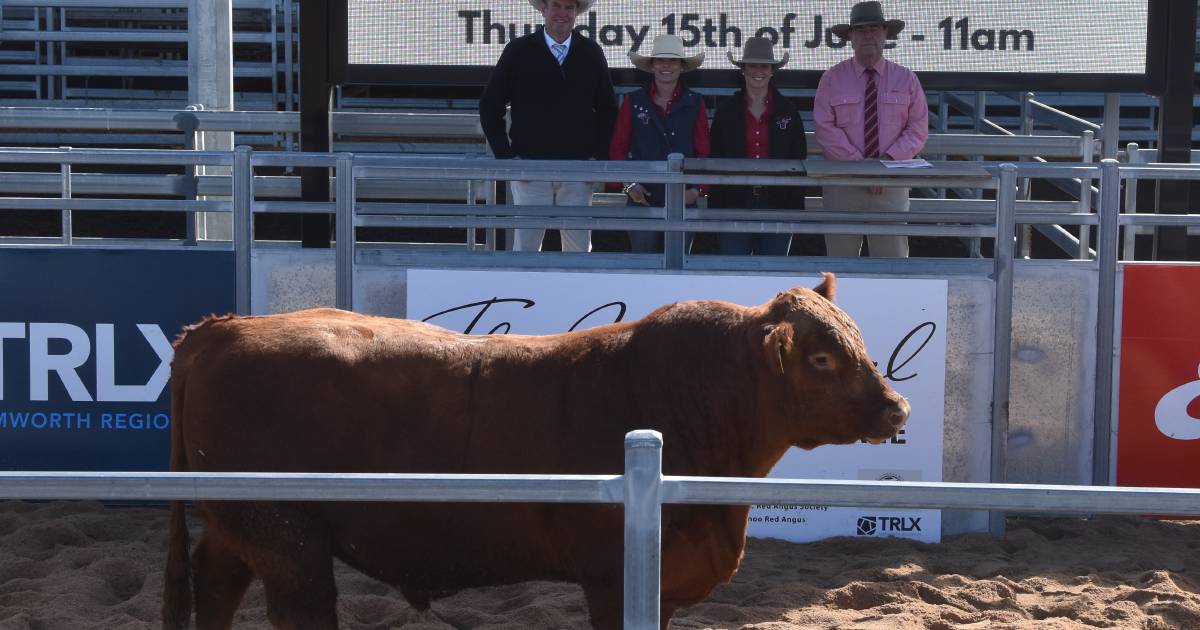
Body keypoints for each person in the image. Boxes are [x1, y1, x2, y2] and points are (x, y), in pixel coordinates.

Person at [479, 0, 617, 252]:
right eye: (556, 6)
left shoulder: (591, 51)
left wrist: (597, 157)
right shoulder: (518, 50)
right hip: (530, 169)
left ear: (577, 13)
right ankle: (521, 292)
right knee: (526, 249)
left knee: (578, 251)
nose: (562, 13)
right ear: (543, 9)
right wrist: (507, 158)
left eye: (569, 7)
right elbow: (490, 106)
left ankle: (577, 293)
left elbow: (608, 108)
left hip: (577, 169)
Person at [813, 1, 928, 257]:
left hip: (890, 185)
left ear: (886, 34)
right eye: (861, 29)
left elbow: (918, 129)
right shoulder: (832, 78)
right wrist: (863, 169)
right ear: (850, 37)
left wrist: (883, 165)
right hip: (843, 185)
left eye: (874, 28)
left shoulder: (906, 79)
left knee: (893, 267)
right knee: (839, 270)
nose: (868, 35)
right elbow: (824, 128)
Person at [609, 34, 708, 253]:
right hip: (642, 197)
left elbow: (704, 152)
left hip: (683, 199)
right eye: (661, 60)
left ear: (681, 66)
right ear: (652, 65)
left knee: (680, 266)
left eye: (673, 60)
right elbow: (618, 149)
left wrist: (697, 190)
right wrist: (629, 185)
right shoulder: (633, 102)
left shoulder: (695, 102)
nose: (666, 66)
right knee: (643, 267)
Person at [709, 37, 807, 256]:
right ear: (742, 70)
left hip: (778, 205)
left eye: (764, 66)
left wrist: (794, 209)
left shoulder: (788, 111)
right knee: (734, 273)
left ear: (772, 71)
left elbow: (799, 159)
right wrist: (717, 208)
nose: (758, 71)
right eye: (752, 65)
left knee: (774, 276)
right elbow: (714, 158)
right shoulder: (726, 111)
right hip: (732, 204)